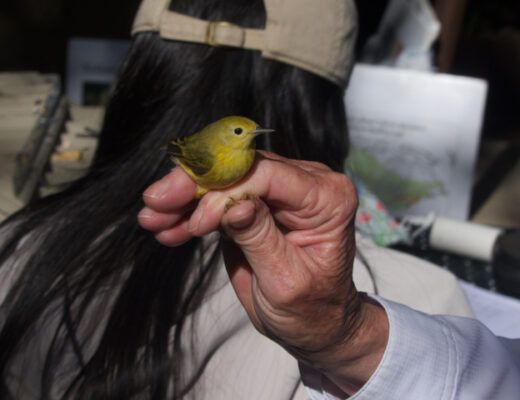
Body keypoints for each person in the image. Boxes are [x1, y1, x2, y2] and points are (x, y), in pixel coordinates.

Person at [0, 0, 518, 399]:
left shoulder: (15, 248)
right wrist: (356, 334)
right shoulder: (423, 301)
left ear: (142, 77)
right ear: (323, 108)